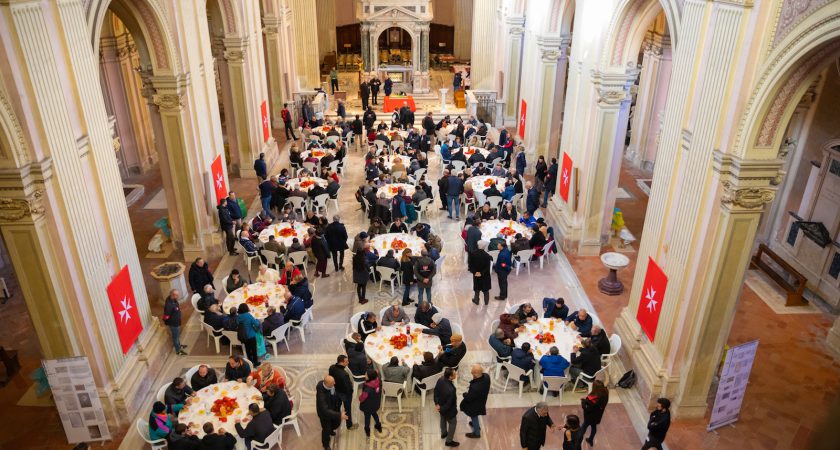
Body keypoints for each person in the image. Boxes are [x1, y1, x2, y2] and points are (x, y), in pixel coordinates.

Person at [459, 364, 490, 439]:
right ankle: (474, 424)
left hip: (475, 404)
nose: (472, 375)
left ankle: (477, 433)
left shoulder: (475, 387)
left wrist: (464, 394)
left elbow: (469, 398)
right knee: (475, 414)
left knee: (473, 415)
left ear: (475, 375)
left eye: (472, 373)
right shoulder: (486, 376)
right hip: (481, 400)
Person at [316, 375, 346, 450]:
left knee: (336, 423)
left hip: (333, 408)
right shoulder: (321, 395)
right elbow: (325, 410)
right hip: (325, 415)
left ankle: (331, 430)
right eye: (333, 383)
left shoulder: (327, 385)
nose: (335, 383)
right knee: (326, 429)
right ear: (327, 384)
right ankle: (325, 444)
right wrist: (339, 415)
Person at [328, 355, 357, 430]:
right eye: (346, 361)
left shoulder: (331, 367)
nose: (348, 362)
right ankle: (349, 425)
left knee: (336, 407)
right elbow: (348, 387)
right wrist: (351, 392)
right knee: (347, 409)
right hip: (345, 394)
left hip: (336, 391)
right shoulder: (344, 374)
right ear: (342, 362)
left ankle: (335, 422)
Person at [434, 367, 459, 447]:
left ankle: (444, 433)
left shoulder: (440, 379)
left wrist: (437, 404)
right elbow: (449, 404)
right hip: (448, 410)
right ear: (450, 377)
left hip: (440, 405)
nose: (456, 374)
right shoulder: (451, 390)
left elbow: (435, 392)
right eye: (454, 374)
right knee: (453, 423)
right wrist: (441, 408)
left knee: (443, 419)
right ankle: (449, 441)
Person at [580, 380, 609, 446]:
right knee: (593, 427)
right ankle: (591, 439)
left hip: (590, 416)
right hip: (598, 415)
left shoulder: (594, 399)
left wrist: (583, 401)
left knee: (583, 427)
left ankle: (578, 440)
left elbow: (587, 408)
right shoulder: (605, 393)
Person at [359, 369, 383, 437]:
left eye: (366, 375)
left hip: (368, 406)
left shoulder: (367, 389)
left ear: (370, 377)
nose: (365, 375)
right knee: (375, 414)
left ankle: (367, 429)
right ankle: (378, 426)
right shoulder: (378, 381)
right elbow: (377, 374)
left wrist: (359, 398)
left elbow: (362, 398)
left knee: (367, 418)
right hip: (375, 403)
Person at [163, 289, 187, 355]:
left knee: (177, 335)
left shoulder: (172, 299)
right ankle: (178, 350)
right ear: (173, 295)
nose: (178, 296)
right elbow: (166, 316)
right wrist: (167, 323)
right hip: (174, 324)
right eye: (177, 295)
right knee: (175, 337)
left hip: (177, 321)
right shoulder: (169, 305)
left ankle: (179, 345)